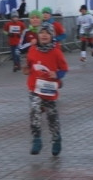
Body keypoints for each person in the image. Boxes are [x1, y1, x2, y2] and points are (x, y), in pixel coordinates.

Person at [23, 24, 68, 156]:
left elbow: (64, 68)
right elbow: (30, 65)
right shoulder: (32, 49)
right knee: (34, 109)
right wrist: (26, 69)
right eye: (41, 32)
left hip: (49, 89)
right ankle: (37, 138)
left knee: (52, 116)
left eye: (47, 33)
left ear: (52, 36)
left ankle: (56, 138)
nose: (43, 35)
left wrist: (57, 75)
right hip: (35, 87)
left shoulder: (56, 51)